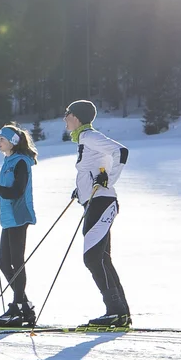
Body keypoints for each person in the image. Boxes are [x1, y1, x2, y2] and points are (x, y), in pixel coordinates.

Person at [63, 100, 131, 328]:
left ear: (77, 117)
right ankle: (121, 313)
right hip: (94, 202)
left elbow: (121, 151)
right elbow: (95, 166)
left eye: (67, 114)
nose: (65, 118)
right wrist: (81, 190)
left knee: (92, 258)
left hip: (102, 202)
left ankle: (115, 312)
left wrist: (108, 180)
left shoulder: (89, 136)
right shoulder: (84, 140)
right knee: (101, 258)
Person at [0, 123, 39, 328]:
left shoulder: (21, 162)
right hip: (9, 218)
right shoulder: (8, 161)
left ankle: (17, 308)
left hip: (19, 215)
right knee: (4, 263)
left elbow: (16, 191)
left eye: (1, 139)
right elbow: (5, 189)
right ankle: (23, 306)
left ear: (12, 141)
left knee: (16, 262)